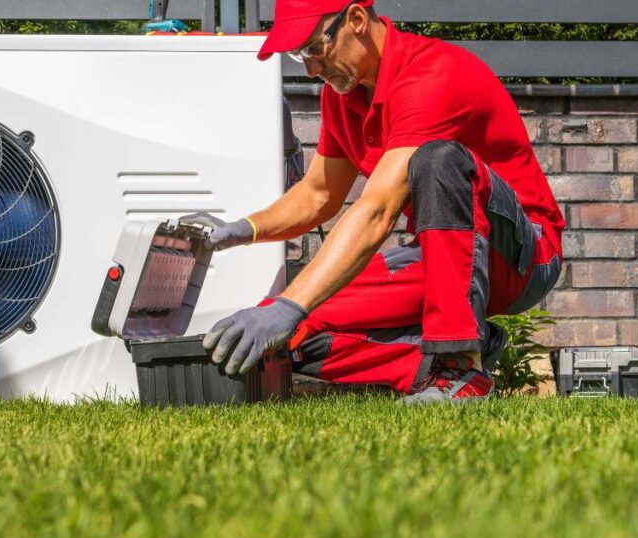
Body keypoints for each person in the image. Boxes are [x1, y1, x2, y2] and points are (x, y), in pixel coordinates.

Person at [181, 0, 564, 404]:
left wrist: (290, 302)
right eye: (299, 56)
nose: (310, 68)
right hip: (445, 259)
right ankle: (442, 361)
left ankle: (459, 368)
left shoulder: (432, 75)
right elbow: (319, 194)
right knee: (293, 329)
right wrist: (243, 230)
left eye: (314, 49)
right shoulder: (344, 94)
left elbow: (377, 210)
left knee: (438, 160)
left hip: (524, 256)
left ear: (357, 21)